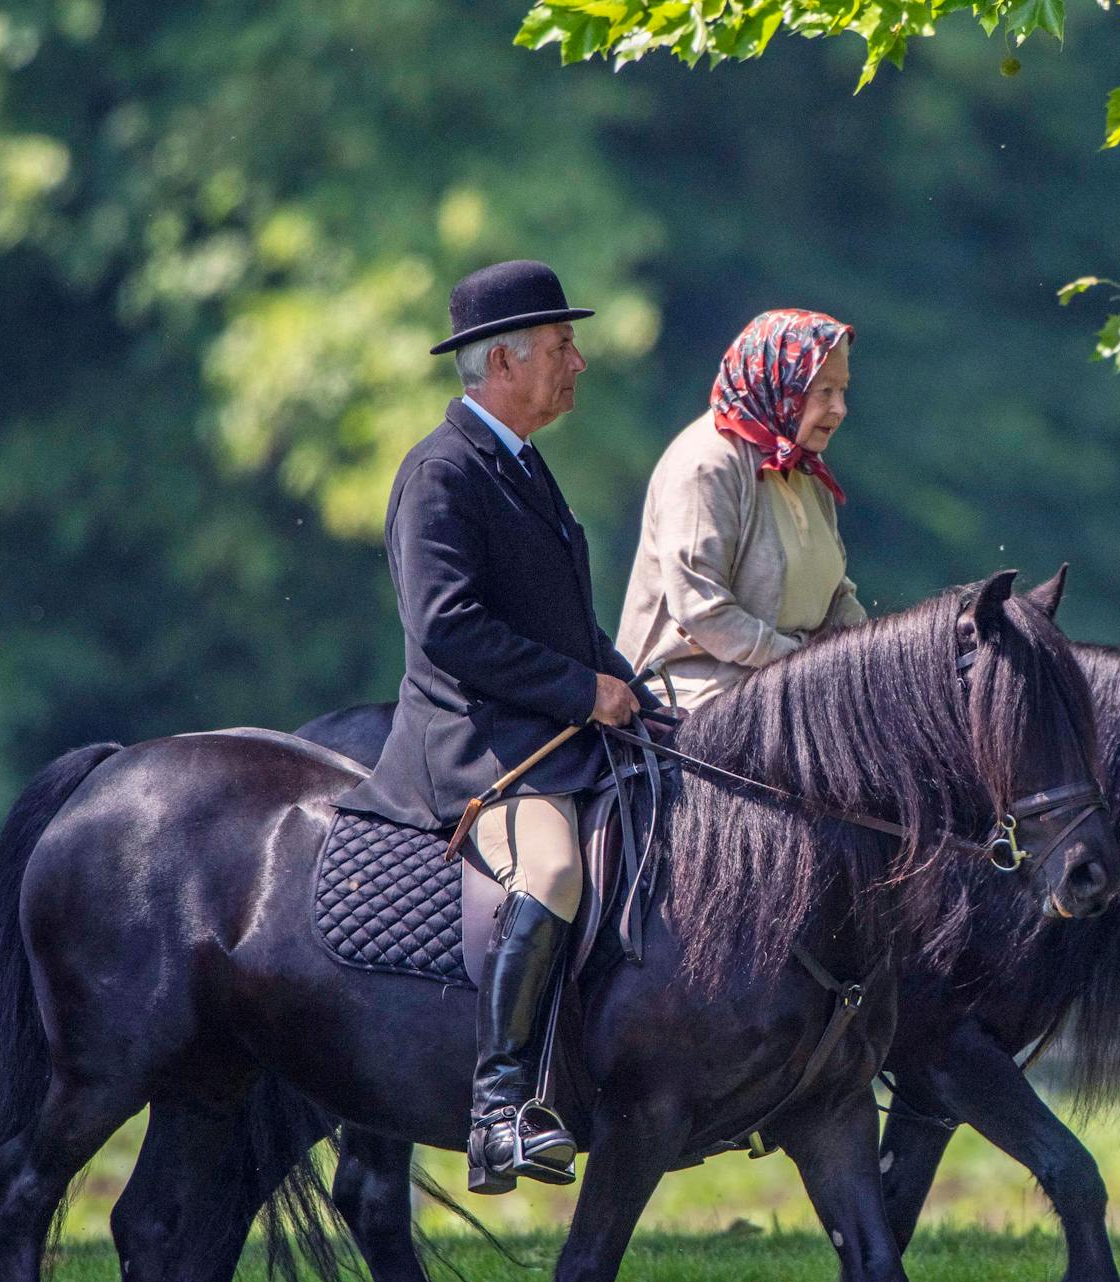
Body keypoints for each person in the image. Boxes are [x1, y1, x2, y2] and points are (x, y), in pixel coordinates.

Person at [336, 259, 656, 1194]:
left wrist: (631, 692)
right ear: (504, 362)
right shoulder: (440, 473)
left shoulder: (521, 463)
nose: (579, 364)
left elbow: (567, 621)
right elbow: (448, 627)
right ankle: (499, 1111)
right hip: (472, 748)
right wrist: (579, 693)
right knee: (554, 868)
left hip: (550, 730)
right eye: (562, 349)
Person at [617, 309, 866, 709]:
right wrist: (802, 667)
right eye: (825, 392)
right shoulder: (707, 462)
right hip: (696, 703)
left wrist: (875, 658)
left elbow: (837, 598)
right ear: (781, 385)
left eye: (843, 391)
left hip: (792, 693)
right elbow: (702, 611)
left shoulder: (804, 469)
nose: (840, 409)